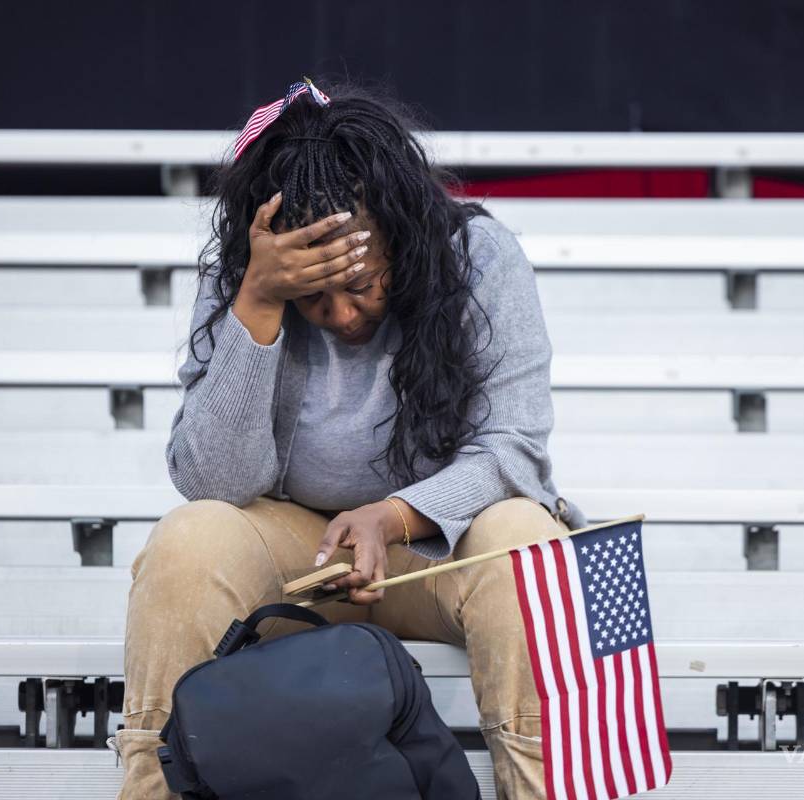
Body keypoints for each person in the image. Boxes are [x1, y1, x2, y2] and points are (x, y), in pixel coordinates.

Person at [111, 77, 587, 799]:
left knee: (526, 537)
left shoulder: (481, 255)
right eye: (313, 294)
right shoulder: (246, 282)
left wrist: (394, 515)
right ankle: (152, 788)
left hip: (437, 551)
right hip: (303, 551)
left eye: (361, 282)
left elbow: (514, 448)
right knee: (190, 538)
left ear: (399, 229)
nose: (340, 313)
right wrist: (260, 303)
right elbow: (215, 481)